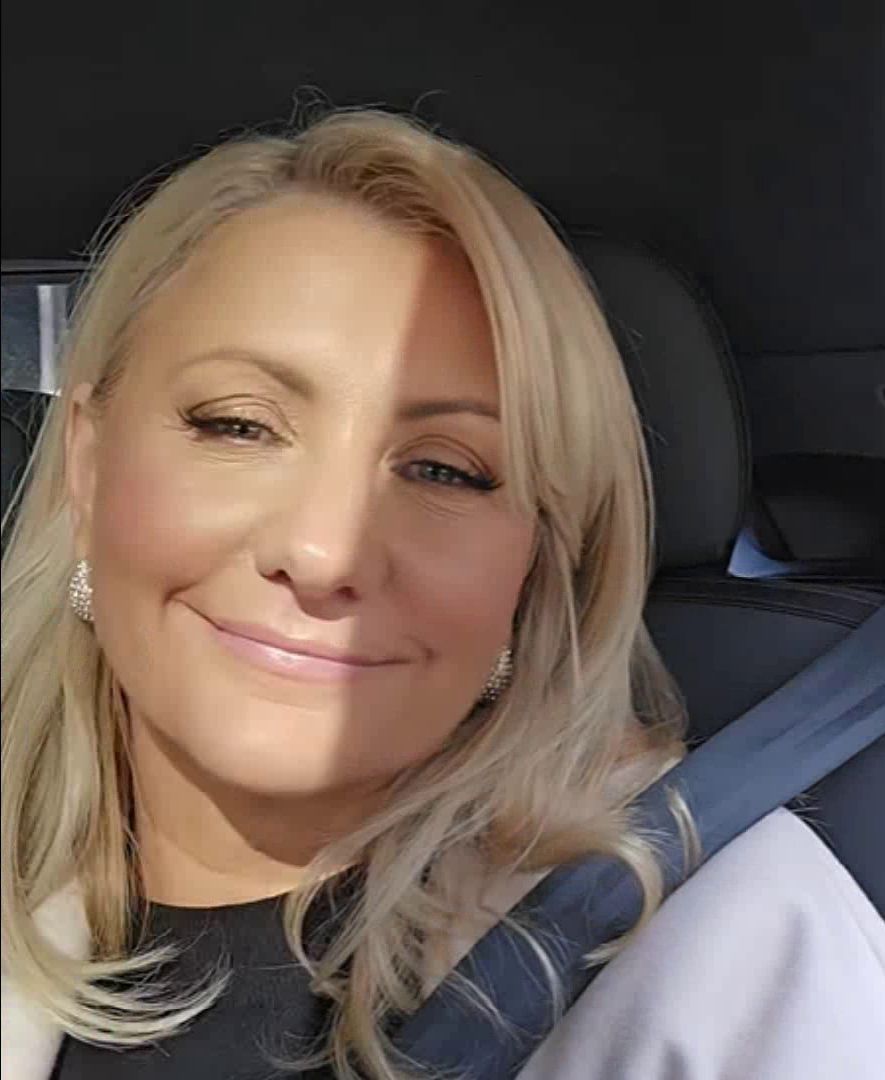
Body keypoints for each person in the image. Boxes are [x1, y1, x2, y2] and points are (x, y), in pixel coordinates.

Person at [2, 110, 883, 1080]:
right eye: (238, 425)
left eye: (447, 470)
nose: (323, 552)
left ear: (535, 563)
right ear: (88, 464)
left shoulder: (720, 960)